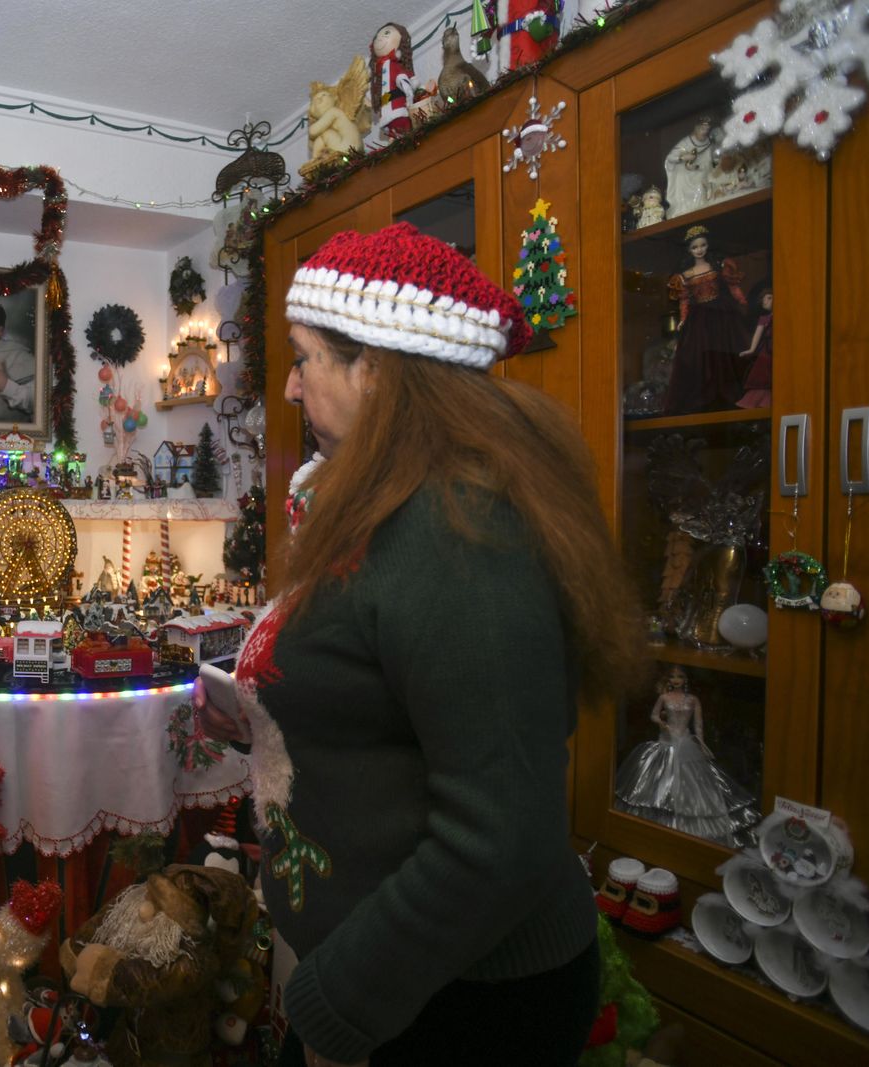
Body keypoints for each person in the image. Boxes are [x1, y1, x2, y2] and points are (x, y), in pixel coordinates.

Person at [193, 222, 647, 1066]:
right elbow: (375, 686)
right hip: (390, 977)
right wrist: (264, 720)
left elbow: (499, 839)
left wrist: (339, 1005)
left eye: (303, 357)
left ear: (377, 368)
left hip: (454, 1001)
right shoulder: (377, 500)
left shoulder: (458, 531)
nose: (287, 386)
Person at [612, 665, 759, 847]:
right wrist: (662, 723)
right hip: (666, 742)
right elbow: (653, 715)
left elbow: (698, 725)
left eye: (680, 676)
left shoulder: (693, 700)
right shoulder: (664, 697)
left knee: (696, 788)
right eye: (673, 676)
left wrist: (702, 744)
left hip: (687, 743)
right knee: (657, 787)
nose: (676, 680)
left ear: (685, 680)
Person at [663, 225, 747, 415]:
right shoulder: (685, 275)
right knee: (700, 357)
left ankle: (729, 392)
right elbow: (684, 300)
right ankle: (706, 395)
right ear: (689, 250)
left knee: (725, 351)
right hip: (699, 318)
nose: (699, 250)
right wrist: (683, 319)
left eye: (702, 245)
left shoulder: (718, 267)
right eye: (695, 247)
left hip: (721, 315)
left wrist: (741, 301)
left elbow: (733, 288)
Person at [663, 116, 719, 219]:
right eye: (702, 129)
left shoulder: (708, 144)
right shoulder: (685, 142)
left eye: (707, 130)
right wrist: (683, 157)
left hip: (701, 172)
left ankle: (700, 209)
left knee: (701, 183)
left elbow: (712, 160)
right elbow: (670, 158)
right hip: (685, 174)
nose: (704, 132)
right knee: (688, 180)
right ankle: (684, 209)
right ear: (696, 128)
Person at [735, 280, 773, 410]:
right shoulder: (764, 319)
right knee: (763, 375)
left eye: (769, 298)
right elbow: (758, 334)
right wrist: (751, 349)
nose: (767, 302)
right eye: (765, 300)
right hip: (767, 350)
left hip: (777, 349)